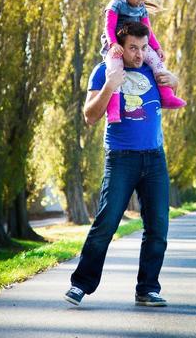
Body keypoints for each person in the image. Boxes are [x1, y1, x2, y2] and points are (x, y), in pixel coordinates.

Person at [64, 21, 179, 308]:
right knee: (107, 222)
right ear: (120, 47)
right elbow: (90, 116)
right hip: (121, 159)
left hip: (154, 158)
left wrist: (173, 81)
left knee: (158, 227)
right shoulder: (104, 71)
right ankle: (80, 284)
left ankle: (147, 289)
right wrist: (109, 87)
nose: (139, 54)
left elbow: (166, 99)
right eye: (133, 48)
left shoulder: (152, 68)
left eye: (143, 48)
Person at [102, 0, 185, 123]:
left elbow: (148, 31)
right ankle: (113, 110)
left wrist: (157, 48)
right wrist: (113, 44)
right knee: (115, 71)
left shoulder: (141, 8)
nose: (141, 2)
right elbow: (109, 27)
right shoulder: (115, 5)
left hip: (137, 44)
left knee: (157, 62)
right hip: (115, 44)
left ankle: (167, 96)